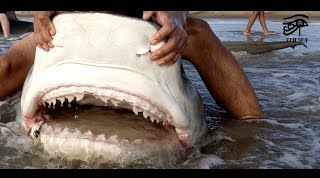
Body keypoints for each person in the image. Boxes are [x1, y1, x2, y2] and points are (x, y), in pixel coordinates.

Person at [0, 11, 263, 120]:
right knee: (10, 66)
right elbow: (11, 64)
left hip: (151, 36)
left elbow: (184, 23)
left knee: (194, 31)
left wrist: (179, 18)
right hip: (66, 34)